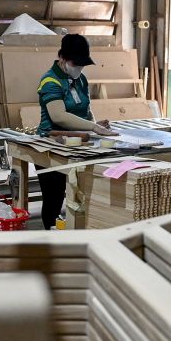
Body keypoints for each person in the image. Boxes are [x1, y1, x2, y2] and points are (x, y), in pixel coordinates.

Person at [35, 34, 117, 230]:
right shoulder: (50, 80)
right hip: (52, 145)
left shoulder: (80, 79)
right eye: (75, 63)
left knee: (84, 194)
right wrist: (93, 127)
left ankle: (81, 233)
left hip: (79, 144)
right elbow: (59, 116)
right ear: (62, 57)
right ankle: (51, 237)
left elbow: (86, 111)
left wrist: (96, 125)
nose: (79, 68)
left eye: (82, 64)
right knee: (54, 199)